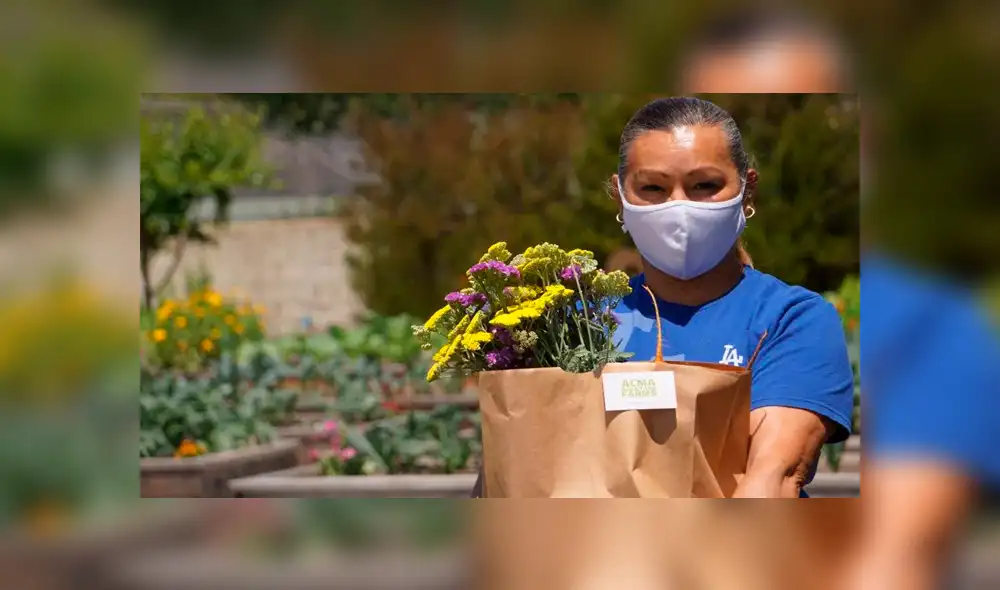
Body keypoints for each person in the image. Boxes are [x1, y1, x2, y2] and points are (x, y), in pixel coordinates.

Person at [610, 96, 854, 498]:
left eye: (704, 185)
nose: (679, 207)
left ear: (747, 190)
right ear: (620, 195)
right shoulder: (574, 323)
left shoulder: (791, 320)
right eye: (653, 187)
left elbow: (772, 479)